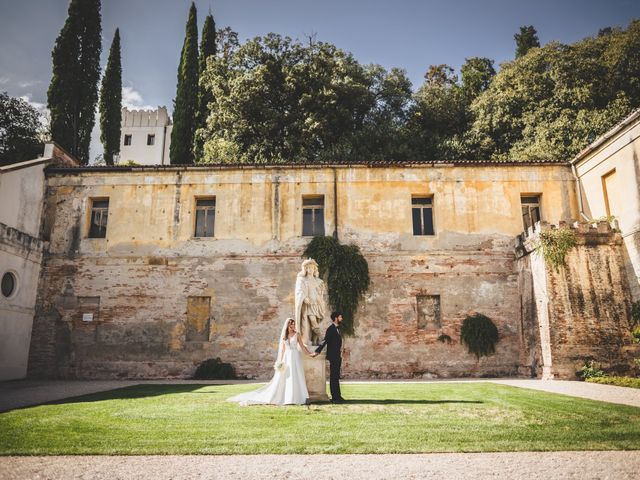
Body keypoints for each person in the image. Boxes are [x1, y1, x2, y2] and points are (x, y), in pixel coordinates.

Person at [227, 318, 317, 406]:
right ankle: (288, 397)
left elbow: (302, 346)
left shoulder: (297, 334)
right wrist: (280, 362)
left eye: (293, 324)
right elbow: (282, 350)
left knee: (296, 375)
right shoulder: (284, 336)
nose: (293, 326)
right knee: (287, 377)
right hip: (286, 357)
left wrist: (309, 354)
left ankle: (298, 397)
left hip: (295, 357)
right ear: (287, 326)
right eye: (291, 324)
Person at [294, 258, 326, 346]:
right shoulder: (302, 280)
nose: (310, 270)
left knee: (315, 322)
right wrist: (304, 298)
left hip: (317, 305)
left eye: (312, 268)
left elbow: (320, 294)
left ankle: (316, 341)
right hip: (308, 305)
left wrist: (321, 302)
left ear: (315, 269)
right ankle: (321, 337)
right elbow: (299, 291)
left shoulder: (318, 281)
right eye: (308, 268)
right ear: (305, 269)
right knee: (312, 321)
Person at [315, 311, 345, 403]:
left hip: (337, 356)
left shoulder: (337, 329)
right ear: (336, 318)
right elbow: (325, 341)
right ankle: (335, 398)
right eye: (340, 317)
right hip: (333, 357)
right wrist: (317, 351)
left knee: (336, 377)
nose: (341, 319)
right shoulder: (331, 329)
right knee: (333, 377)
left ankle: (338, 396)